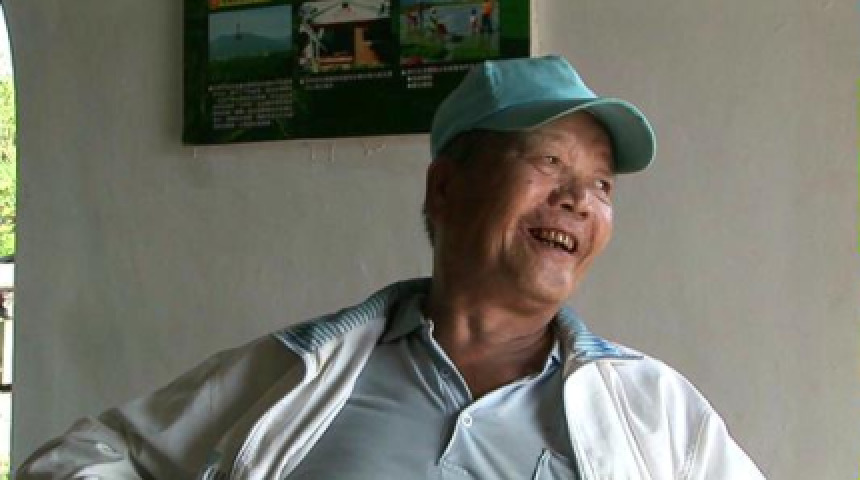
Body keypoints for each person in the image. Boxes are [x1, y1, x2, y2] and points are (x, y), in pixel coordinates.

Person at [17, 55, 766, 479]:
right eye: (549, 163)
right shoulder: (297, 373)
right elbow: (77, 461)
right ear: (446, 187)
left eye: (602, 185)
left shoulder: (653, 410)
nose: (579, 200)